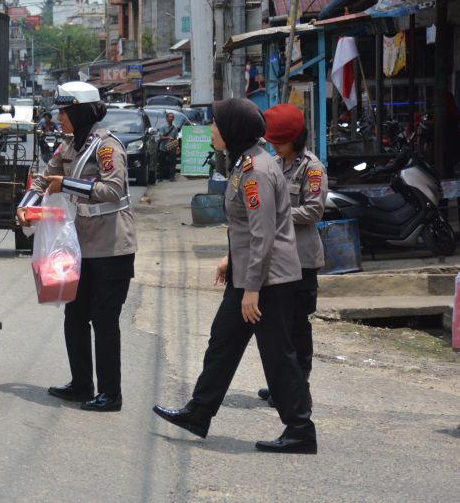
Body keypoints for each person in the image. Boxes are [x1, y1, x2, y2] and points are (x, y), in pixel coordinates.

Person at [152, 98, 317, 454]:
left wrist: (252, 289)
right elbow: (246, 229)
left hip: (267, 280)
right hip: (248, 274)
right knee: (222, 341)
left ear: (233, 130)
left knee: (277, 354)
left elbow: (263, 233)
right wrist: (232, 261)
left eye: (216, 125)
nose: (211, 130)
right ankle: (198, 412)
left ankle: (300, 429)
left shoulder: (256, 170)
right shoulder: (247, 162)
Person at [17, 81, 137, 412]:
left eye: (65, 112)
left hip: (112, 246)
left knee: (104, 320)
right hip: (80, 246)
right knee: (75, 314)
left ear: (81, 112)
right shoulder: (68, 145)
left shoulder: (107, 147)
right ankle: (82, 383)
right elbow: (45, 178)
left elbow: (112, 190)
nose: (59, 118)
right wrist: (26, 204)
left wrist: (66, 184)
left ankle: (111, 393)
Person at [256, 103, 326, 407]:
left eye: (280, 142)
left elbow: (314, 210)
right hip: (277, 259)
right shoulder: (273, 163)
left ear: (295, 139)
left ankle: (300, 388)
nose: (275, 146)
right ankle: (281, 383)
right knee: (278, 326)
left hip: (302, 259)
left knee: (298, 325)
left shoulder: (312, 168)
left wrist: (276, 215)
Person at [157, 111, 179, 181]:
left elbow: (176, 138)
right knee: (161, 163)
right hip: (163, 148)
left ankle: (171, 177)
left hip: (171, 147)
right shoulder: (163, 127)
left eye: (172, 117)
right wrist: (168, 138)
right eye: (170, 117)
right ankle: (160, 177)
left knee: (172, 163)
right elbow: (160, 137)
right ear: (166, 118)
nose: (171, 118)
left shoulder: (174, 128)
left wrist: (177, 146)